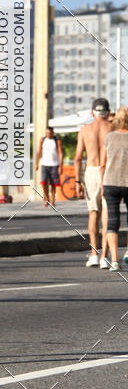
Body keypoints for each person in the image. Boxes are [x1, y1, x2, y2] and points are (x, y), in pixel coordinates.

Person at [74, 97, 113, 268]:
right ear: (108, 112)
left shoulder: (84, 130)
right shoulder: (113, 129)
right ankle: (105, 256)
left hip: (90, 171)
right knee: (107, 214)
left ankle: (93, 254)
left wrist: (76, 181)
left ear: (92, 112)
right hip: (109, 171)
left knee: (93, 213)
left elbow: (77, 159)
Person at [100, 106, 128, 272]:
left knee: (112, 222)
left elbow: (103, 164)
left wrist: (102, 184)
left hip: (111, 182)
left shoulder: (109, 137)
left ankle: (115, 261)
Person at [35, 126, 63, 207]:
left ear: (53, 133)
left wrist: (61, 166)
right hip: (44, 164)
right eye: (47, 133)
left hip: (54, 165)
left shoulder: (57, 140)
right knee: (44, 182)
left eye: (50, 133)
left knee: (53, 184)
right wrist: (36, 163)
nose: (48, 134)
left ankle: (52, 200)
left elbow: (60, 153)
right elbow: (39, 151)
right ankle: (46, 199)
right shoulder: (43, 140)